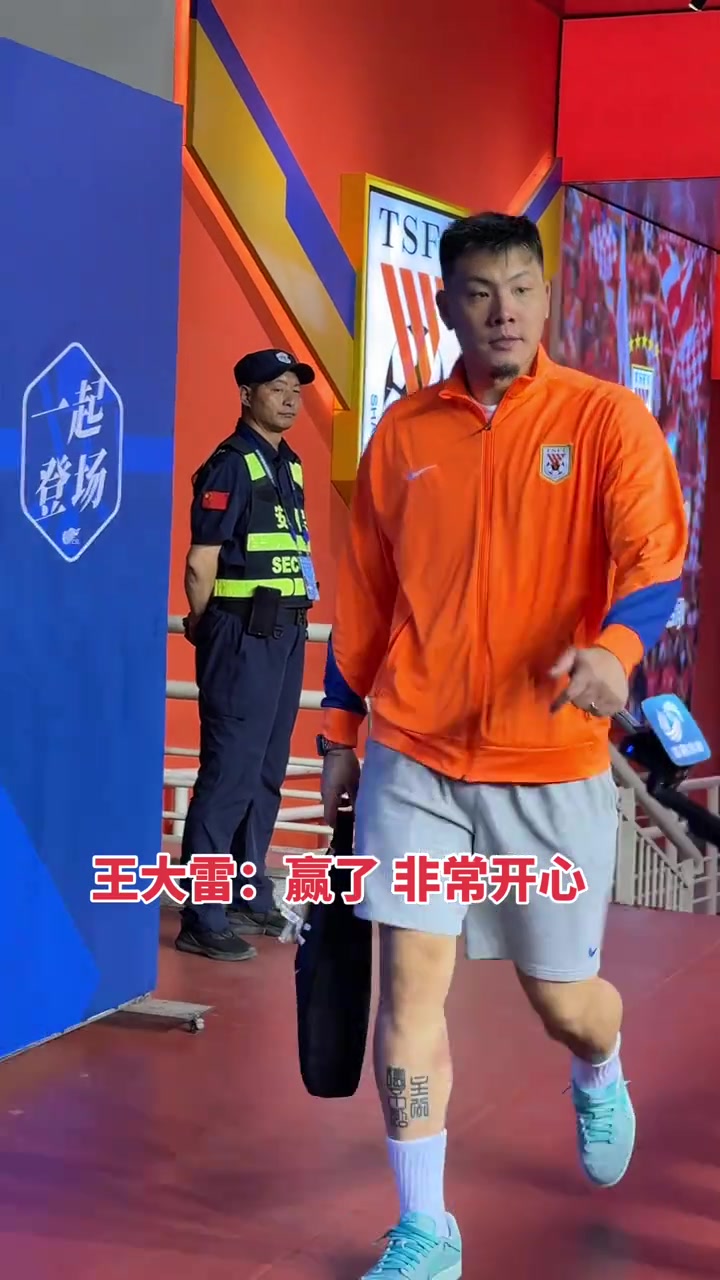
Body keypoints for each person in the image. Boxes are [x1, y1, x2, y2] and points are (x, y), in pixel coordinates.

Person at [318, 212, 687, 1278]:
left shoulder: (605, 419)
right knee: (408, 991)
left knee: (561, 1000)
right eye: (480, 292)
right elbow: (367, 599)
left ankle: (599, 1065)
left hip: (548, 759)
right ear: (446, 304)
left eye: (521, 288)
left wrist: (616, 650)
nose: (504, 311)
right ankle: (425, 1227)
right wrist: (341, 729)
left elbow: (653, 557)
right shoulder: (402, 438)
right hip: (417, 755)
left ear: (546, 295)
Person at [176, 348, 318, 962]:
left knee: (265, 770)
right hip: (240, 634)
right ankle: (202, 915)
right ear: (246, 395)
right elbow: (200, 562)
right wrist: (205, 624)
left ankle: (245, 890)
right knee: (229, 772)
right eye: (276, 387)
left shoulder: (291, 465)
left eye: (295, 389)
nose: (289, 397)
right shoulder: (230, 465)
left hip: (286, 633)